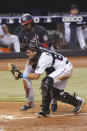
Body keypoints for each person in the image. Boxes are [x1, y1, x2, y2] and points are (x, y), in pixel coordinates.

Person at [9, 40, 84, 117]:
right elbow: (30, 67)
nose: (26, 54)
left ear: (34, 52)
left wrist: (21, 75)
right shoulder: (37, 52)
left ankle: (45, 111)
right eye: (26, 52)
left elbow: (36, 76)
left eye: (28, 52)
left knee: (46, 82)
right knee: (56, 94)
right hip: (59, 69)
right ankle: (77, 102)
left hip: (65, 68)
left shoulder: (43, 58)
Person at [19, 13, 49, 110]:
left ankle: (53, 102)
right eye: (23, 24)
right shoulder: (22, 35)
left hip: (48, 56)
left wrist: (36, 58)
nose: (25, 26)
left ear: (31, 22)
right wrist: (31, 59)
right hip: (34, 57)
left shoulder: (41, 30)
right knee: (25, 77)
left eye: (26, 24)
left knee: (51, 79)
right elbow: (25, 50)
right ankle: (29, 103)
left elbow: (46, 48)